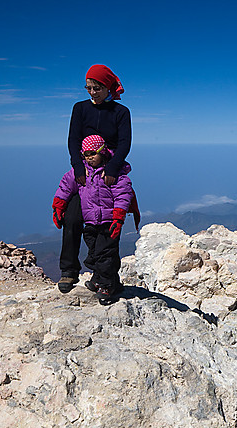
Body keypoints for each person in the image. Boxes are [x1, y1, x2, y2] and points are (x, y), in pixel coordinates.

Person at [58, 64, 132, 293]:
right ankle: (69, 271)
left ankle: (107, 278)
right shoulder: (80, 109)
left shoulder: (121, 112)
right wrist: (78, 167)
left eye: (97, 88)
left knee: (107, 225)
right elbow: (73, 140)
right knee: (72, 219)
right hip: (85, 171)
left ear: (107, 86)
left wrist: (112, 169)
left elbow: (123, 144)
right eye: (88, 88)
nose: (92, 92)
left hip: (110, 174)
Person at [52, 135, 139, 305]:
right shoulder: (81, 173)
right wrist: (59, 205)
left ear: (103, 152)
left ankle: (107, 286)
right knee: (93, 252)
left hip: (108, 222)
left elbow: (123, 195)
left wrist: (118, 217)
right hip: (90, 221)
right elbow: (65, 187)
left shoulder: (113, 174)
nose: (89, 157)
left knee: (105, 253)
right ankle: (101, 279)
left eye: (93, 153)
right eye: (85, 154)